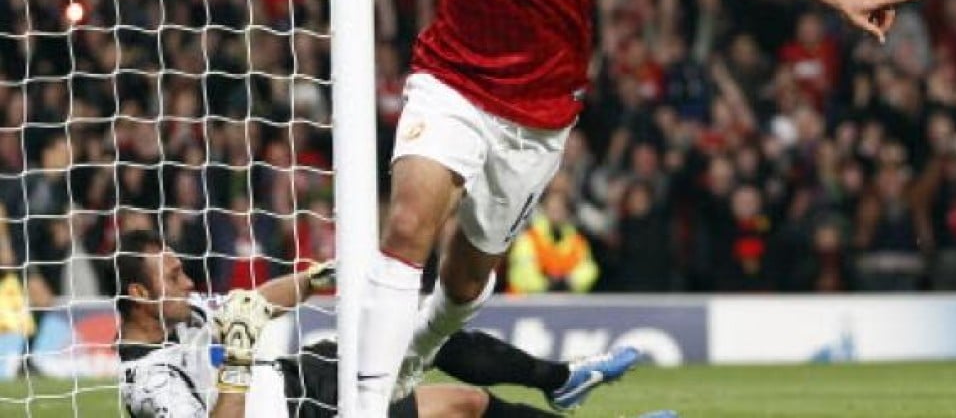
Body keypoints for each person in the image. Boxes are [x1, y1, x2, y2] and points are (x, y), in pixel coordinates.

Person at [101, 0, 920, 413]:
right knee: (408, 217)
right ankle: (369, 403)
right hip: (450, 83)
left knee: (466, 280)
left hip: (535, 119)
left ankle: (413, 356)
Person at [115, 229, 673, 418]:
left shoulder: (184, 317)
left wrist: (319, 277)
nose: (187, 281)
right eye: (173, 276)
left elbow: (252, 303)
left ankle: (561, 379)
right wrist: (238, 359)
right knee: (466, 404)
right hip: (309, 414)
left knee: (412, 327)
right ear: (139, 295)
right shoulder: (148, 384)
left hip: (304, 376)